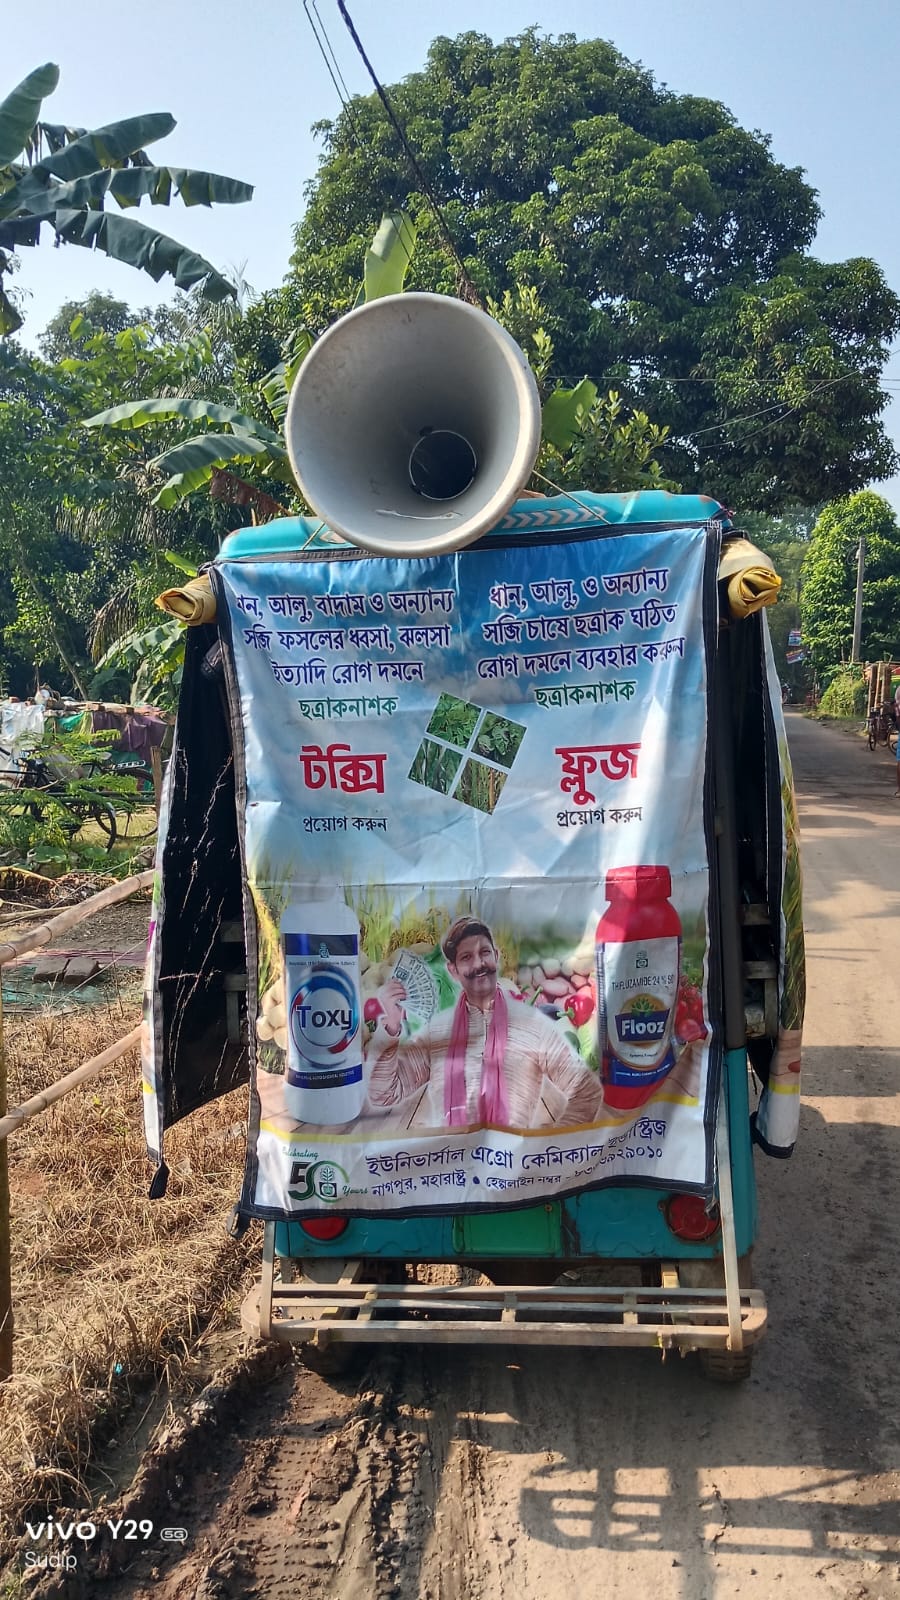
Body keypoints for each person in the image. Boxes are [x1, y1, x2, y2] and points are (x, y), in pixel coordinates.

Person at [366, 916, 603, 1130]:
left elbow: (586, 1092)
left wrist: (552, 1145)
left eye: (485, 953)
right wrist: (392, 1026)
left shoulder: (532, 1025)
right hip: (453, 1159)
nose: (479, 964)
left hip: (512, 1162)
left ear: (496, 957)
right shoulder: (437, 1030)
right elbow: (384, 1094)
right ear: (453, 970)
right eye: (466, 957)